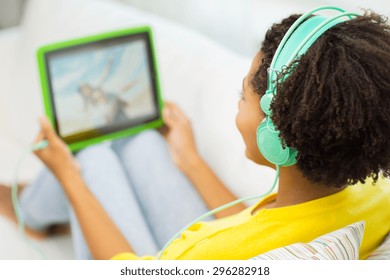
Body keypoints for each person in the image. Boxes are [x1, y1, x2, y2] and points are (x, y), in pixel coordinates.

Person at [1, 9, 390, 260]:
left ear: (276, 136)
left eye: (244, 96)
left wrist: (70, 177)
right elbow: (266, 224)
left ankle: (34, 211)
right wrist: (189, 159)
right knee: (142, 141)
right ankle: (37, 210)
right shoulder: (376, 196)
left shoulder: (205, 255)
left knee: (91, 157)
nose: (237, 104)